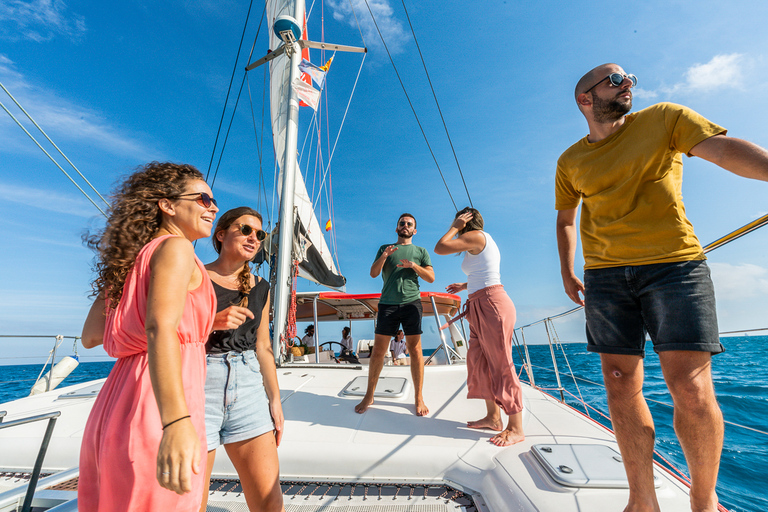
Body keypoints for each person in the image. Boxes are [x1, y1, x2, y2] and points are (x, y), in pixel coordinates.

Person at [556, 63, 768, 512]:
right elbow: (565, 220)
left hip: (674, 266)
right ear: (586, 100)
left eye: (629, 76)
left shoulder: (665, 118)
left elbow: (724, 150)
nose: (628, 82)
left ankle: (703, 500)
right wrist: (567, 271)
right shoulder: (570, 161)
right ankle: (642, 500)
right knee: (618, 382)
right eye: (614, 79)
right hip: (606, 277)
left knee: (690, 387)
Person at [79, 162, 219, 511]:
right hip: (160, 406)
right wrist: (176, 422)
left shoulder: (133, 262)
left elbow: (90, 336)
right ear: (167, 205)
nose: (213, 207)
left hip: (116, 402)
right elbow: (160, 328)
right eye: (203, 198)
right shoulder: (176, 248)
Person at [199, 207, 284, 512]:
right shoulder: (194, 275)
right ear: (220, 234)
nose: (254, 238)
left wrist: (274, 400)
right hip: (199, 384)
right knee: (191, 503)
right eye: (245, 229)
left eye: (259, 234)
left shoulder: (261, 287)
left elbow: (263, 347)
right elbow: (167, 330)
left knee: (269, 503)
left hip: (248, 387)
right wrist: (212, 322)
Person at [434, 207, 525, 447]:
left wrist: (455, 226)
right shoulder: (479, 241)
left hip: (491, 304)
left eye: (461, 219)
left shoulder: (476, 236)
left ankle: (516, 427)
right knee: (479, 360)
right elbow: (485, 270)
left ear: (467, 220)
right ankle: (493, 418)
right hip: (478, 303)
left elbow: (440, 247)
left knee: (501, 363)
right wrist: (466, 285)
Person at [355, 213, 435, 416]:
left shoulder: (420, 251)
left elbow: (431, 278)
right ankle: (369, 395)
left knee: (415, 351)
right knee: (379, 352)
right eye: (402, 223)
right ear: (397, 227)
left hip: (411, 303)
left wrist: (414, 266)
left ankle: (418, 398)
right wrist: (384, 256)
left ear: (414, 230)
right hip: (388, 304)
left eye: (409, 224)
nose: (405, 226)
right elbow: (373, 273)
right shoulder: (385, 249)